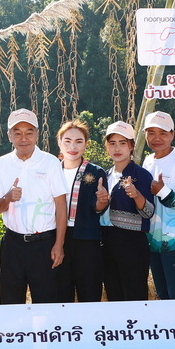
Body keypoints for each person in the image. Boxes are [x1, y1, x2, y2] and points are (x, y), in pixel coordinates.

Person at [0, 108, 67, 304]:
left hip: (44, 244)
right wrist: (7, 197)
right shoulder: (1, 164)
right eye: (17, 133)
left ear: (37, 134)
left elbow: (61, 206)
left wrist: (59, 244)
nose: (24, 138)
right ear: (10, 136)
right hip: (12, 244)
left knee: (46, 302)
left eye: (29, 132)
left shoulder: (50, 163)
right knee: (10, 303)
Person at [142, 111, 175, 299]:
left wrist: (163, 191)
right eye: (151, 133)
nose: (156, 138)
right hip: (153, 241)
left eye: (163, 133)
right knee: (162, 293)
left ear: (173, 134)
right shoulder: (148, 161)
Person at [99, 121, 155, 301]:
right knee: (114, 294)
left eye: (122, 143)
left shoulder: (141, 175)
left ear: (131, 146)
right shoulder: (104, 175)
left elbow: (148, 212)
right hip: (107, 240)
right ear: (107, 147)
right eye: (112, 143)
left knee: (134, 294)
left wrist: (136, 194)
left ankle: (137, 330)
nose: (117, 148)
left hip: (131, 242)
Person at [54, 119, 108, 302]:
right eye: (67, 141)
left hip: (86, 239)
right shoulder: (51, 170)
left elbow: (98, 207)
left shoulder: (96, 172)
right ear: (59, 143)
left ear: (86, 144)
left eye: (79, 141)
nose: (73, 146)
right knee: (61, 291)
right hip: (56, 237)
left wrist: (102, 200)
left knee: (89, 291)